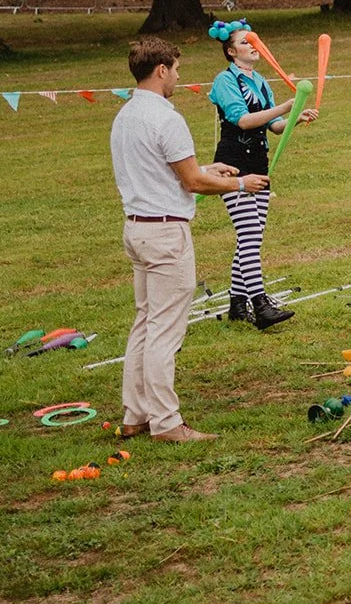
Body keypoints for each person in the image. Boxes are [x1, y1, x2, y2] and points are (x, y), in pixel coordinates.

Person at [110, 37, 270, 443]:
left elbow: (164, 169)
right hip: (165, 234)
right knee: (164, 330)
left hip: (137, 228)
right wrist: (241, 184)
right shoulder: (166, 118)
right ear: (161, 70)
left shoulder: (126, 115)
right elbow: (192, 183)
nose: (179, 77)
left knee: (145, 323)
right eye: (176, 70)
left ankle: (136, 414)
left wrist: (206, 166)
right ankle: (166, 423)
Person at [206, 20, 317, 328]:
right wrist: (284, 106)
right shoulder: (225, 81)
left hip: (260, 165)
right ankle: (260, 304)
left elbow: (273, 126)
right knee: (250, 237)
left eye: (254, 41)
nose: (253, 46)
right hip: (232, 166)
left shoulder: (261, 81)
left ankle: (237, 304)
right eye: (245, 42)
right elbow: (243, 121)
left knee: (250, 238)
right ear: (231, 51)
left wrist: (295, 117)